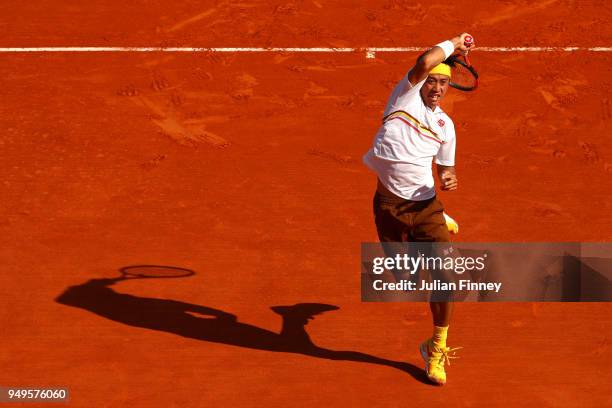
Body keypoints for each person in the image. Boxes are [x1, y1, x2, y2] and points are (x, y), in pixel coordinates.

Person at [363, 33, 474, 385]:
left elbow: (445, 168)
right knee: (405, 280)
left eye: (444, 82)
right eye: (433, 81)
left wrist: (449, 178)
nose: (438, 87)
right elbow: (425, 61)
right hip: (389, 208)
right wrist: (455, 41)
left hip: (424, 204)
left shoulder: (446, 126)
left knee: (445, 278)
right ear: (421, 82)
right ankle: (440, 220)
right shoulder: (403, 97)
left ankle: (436, 347)